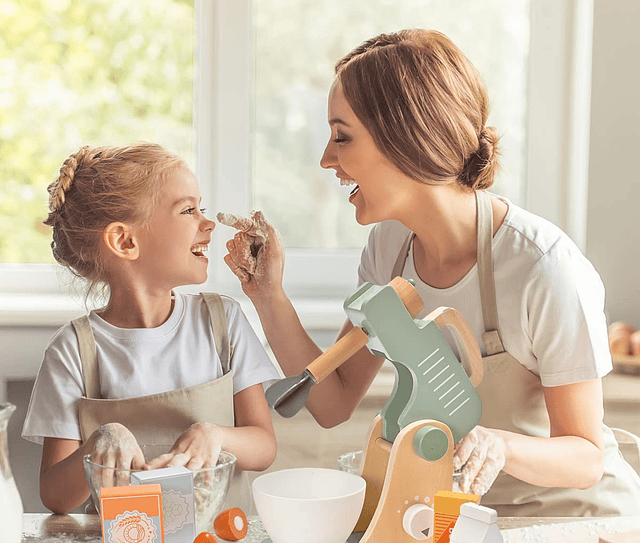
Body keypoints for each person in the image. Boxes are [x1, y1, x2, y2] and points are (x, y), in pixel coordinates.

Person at [222, 29, 640, 516]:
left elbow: (585, 457)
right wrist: (268, 295)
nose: (326, 159)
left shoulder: (542, 268)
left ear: (408, 139)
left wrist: (499, 446)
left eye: (342, 136)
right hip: (465, 524)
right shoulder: (390, 250)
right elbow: (332, 403)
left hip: (573, 527)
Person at [22, 142, 278, 515]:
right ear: (125, 241)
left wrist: (216, 436)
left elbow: (264, 448)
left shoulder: (223, 321)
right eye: (188, 210)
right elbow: (55, 496)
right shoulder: (73, 350)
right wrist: (99, 443)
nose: (207, 223)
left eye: (201, 207)